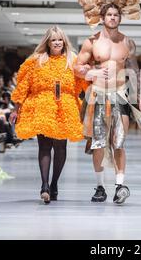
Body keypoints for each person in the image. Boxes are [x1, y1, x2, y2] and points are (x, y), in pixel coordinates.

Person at [74, 0, 141, 204]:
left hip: (120, 95)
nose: (113, 18)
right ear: (103, 18)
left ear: (120, 18)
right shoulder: (91, 42)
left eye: (116, 15)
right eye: (109, 15)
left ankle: (120, 185)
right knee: (98, 142)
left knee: (119, 141)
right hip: (97, 95)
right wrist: (92, 74)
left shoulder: (128, 43)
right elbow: (77, 67)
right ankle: (100, 187)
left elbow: (135, 72)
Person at [11, 26, 88, 204]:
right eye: (53, 39)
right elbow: (23, 85)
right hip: (41, 106)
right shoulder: (36, 61)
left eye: (60, 39)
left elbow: (85, 83)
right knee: (44, 146)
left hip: (66, 107)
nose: (57, 42)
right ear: (48, 42)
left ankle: (54, 184)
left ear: (64, 41)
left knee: (61, 147)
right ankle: (44, 185)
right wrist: (16, 108)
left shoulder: (73, 61)